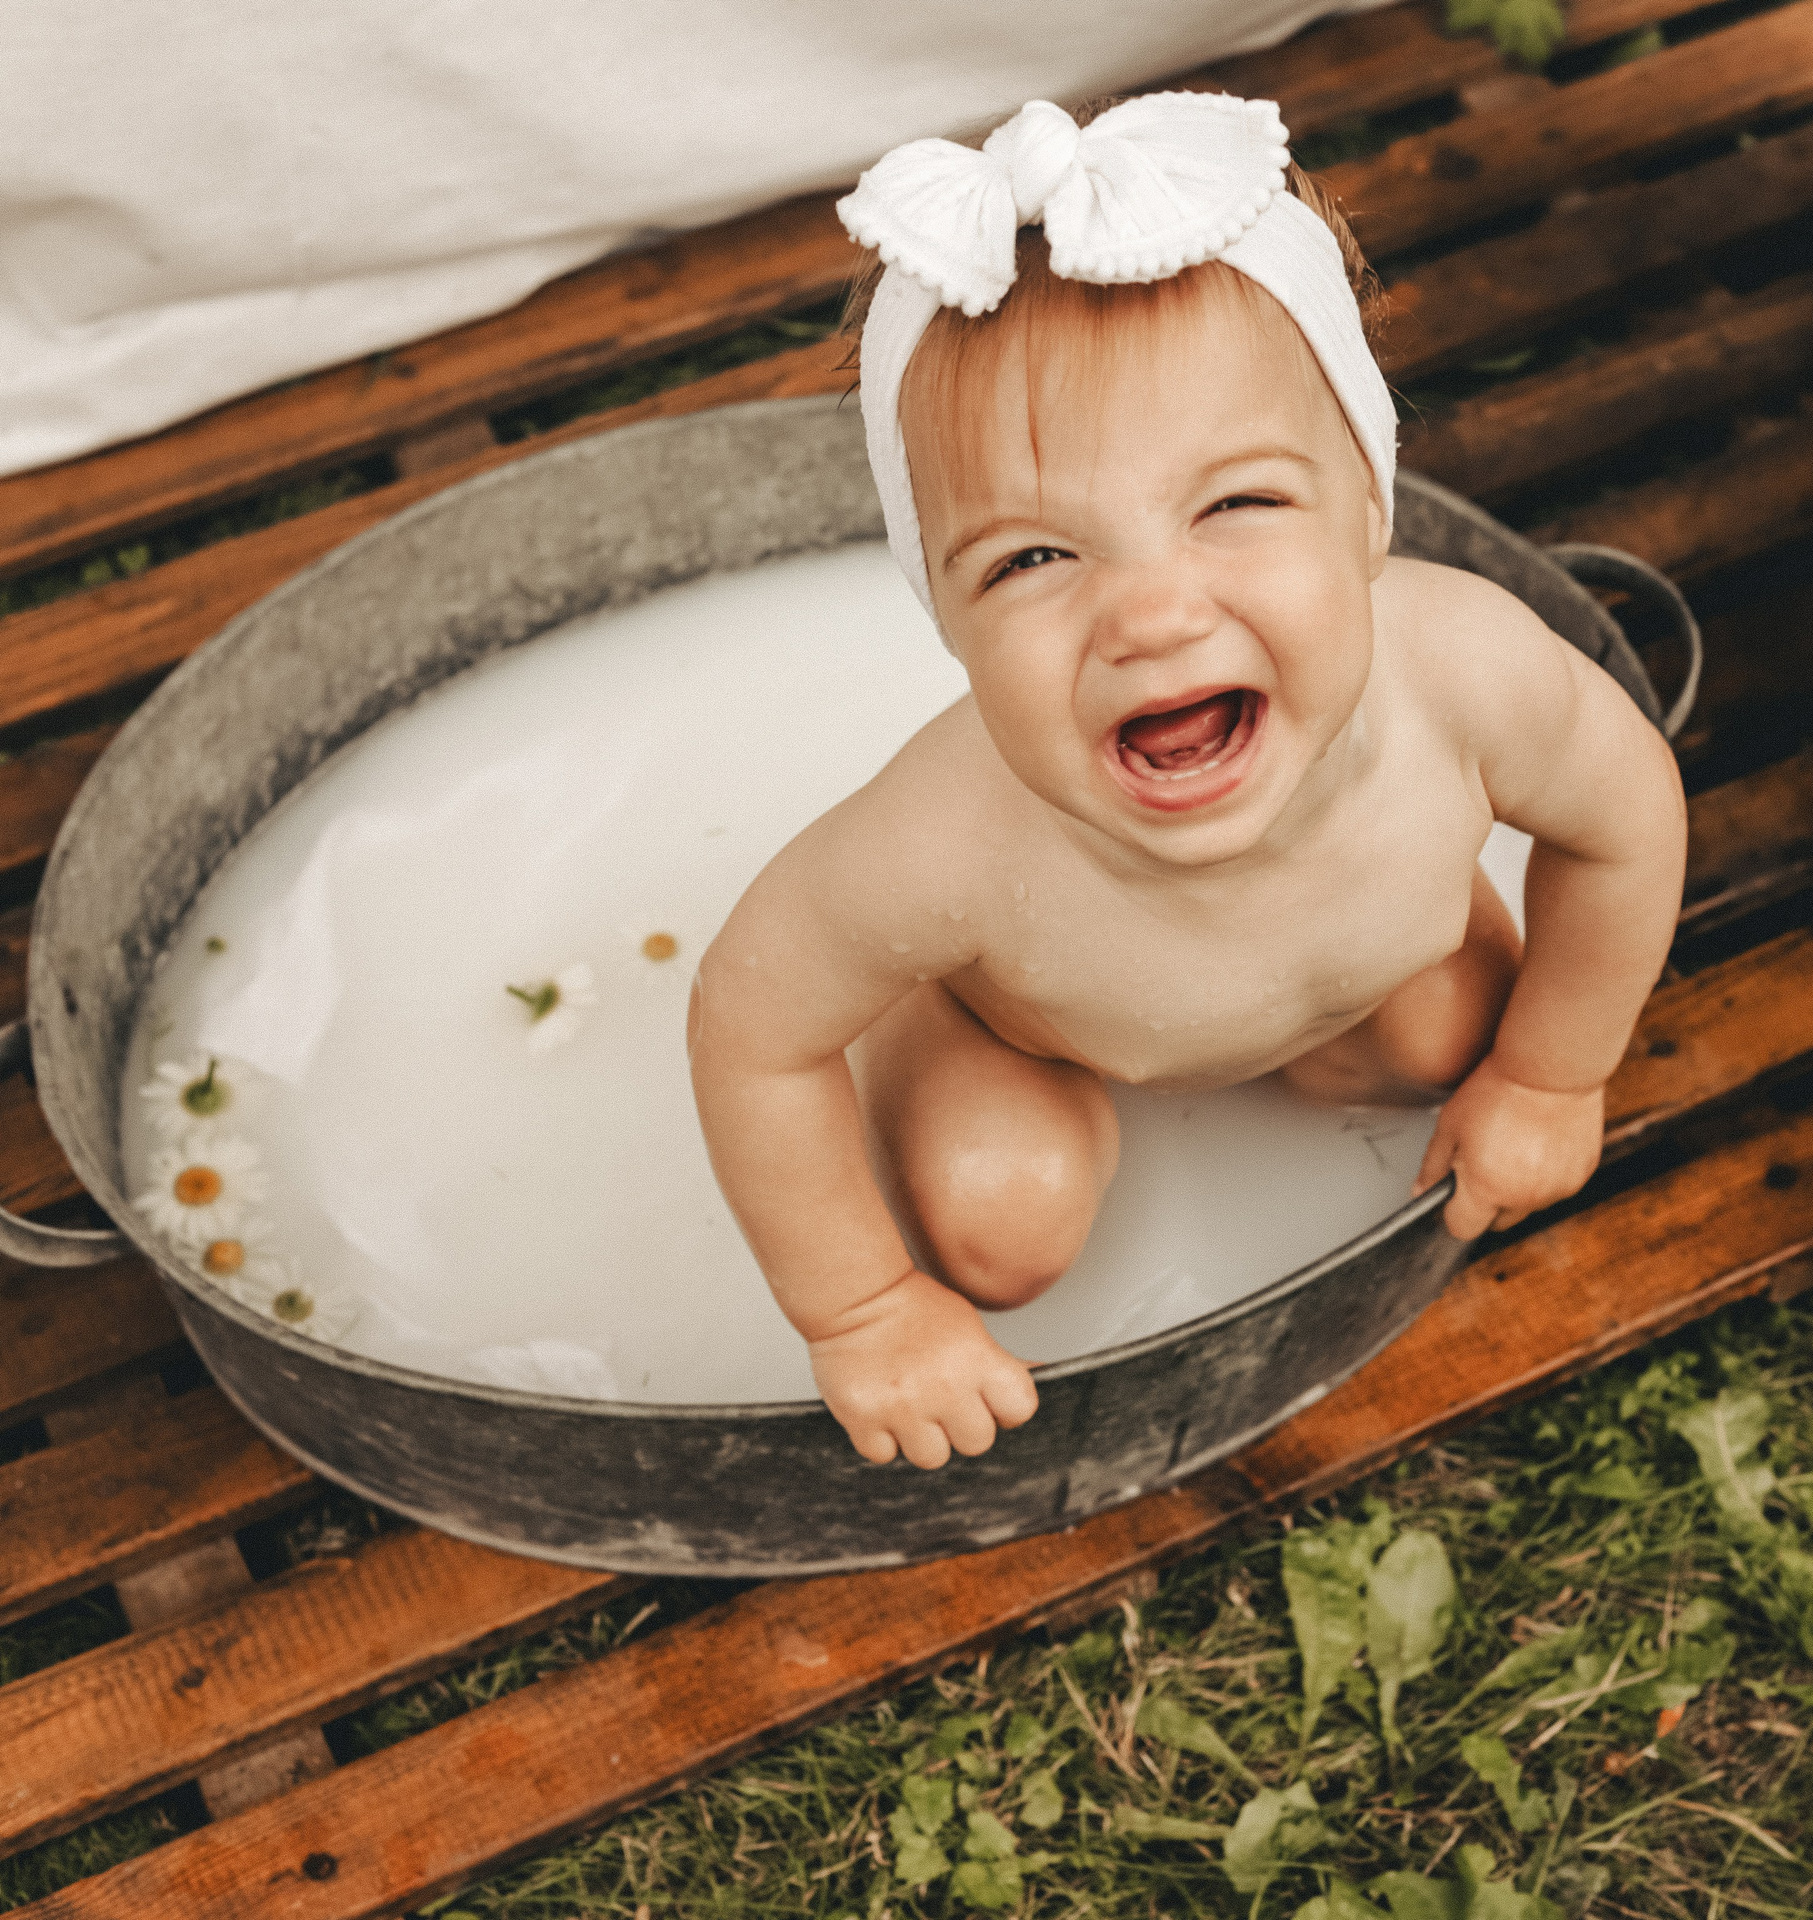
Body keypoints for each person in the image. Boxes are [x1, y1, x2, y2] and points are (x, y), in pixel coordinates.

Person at [688, 93, 1686, 1470]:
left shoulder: (1467, 679)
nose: (1153, 617)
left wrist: (1552, 1074)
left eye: (1237, 505)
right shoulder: (951, 841)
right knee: (999, 1223)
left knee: (1449, 1041)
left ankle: (1363, 1040)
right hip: (1034, 1031)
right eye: (1031, 559)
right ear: (948, 623)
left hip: (1358, 981)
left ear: (1368, 509)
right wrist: (860, 1308)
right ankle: (930, 1038)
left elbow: (1627, 818)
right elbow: (751, 1028)